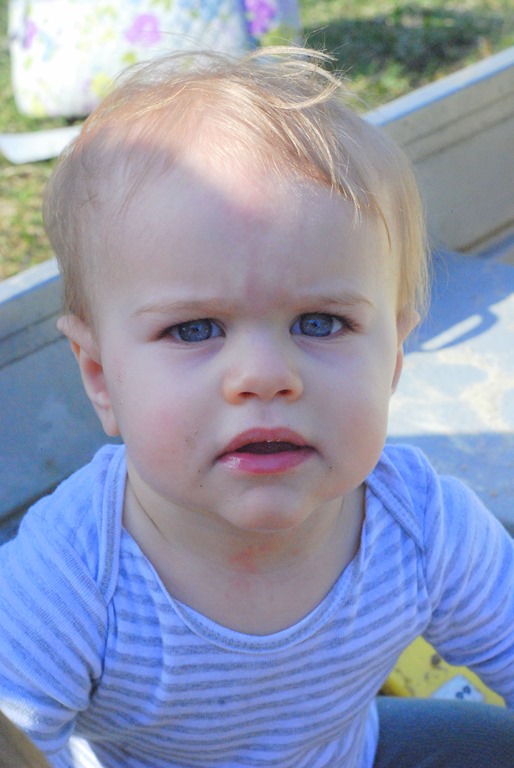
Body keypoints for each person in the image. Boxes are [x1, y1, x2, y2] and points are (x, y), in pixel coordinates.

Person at [0, 47, 513, 768]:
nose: (266, 377)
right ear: (101, 376)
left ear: (394, 357)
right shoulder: (72, 577)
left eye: (321, 322)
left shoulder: (423, 527)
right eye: (195, 330)